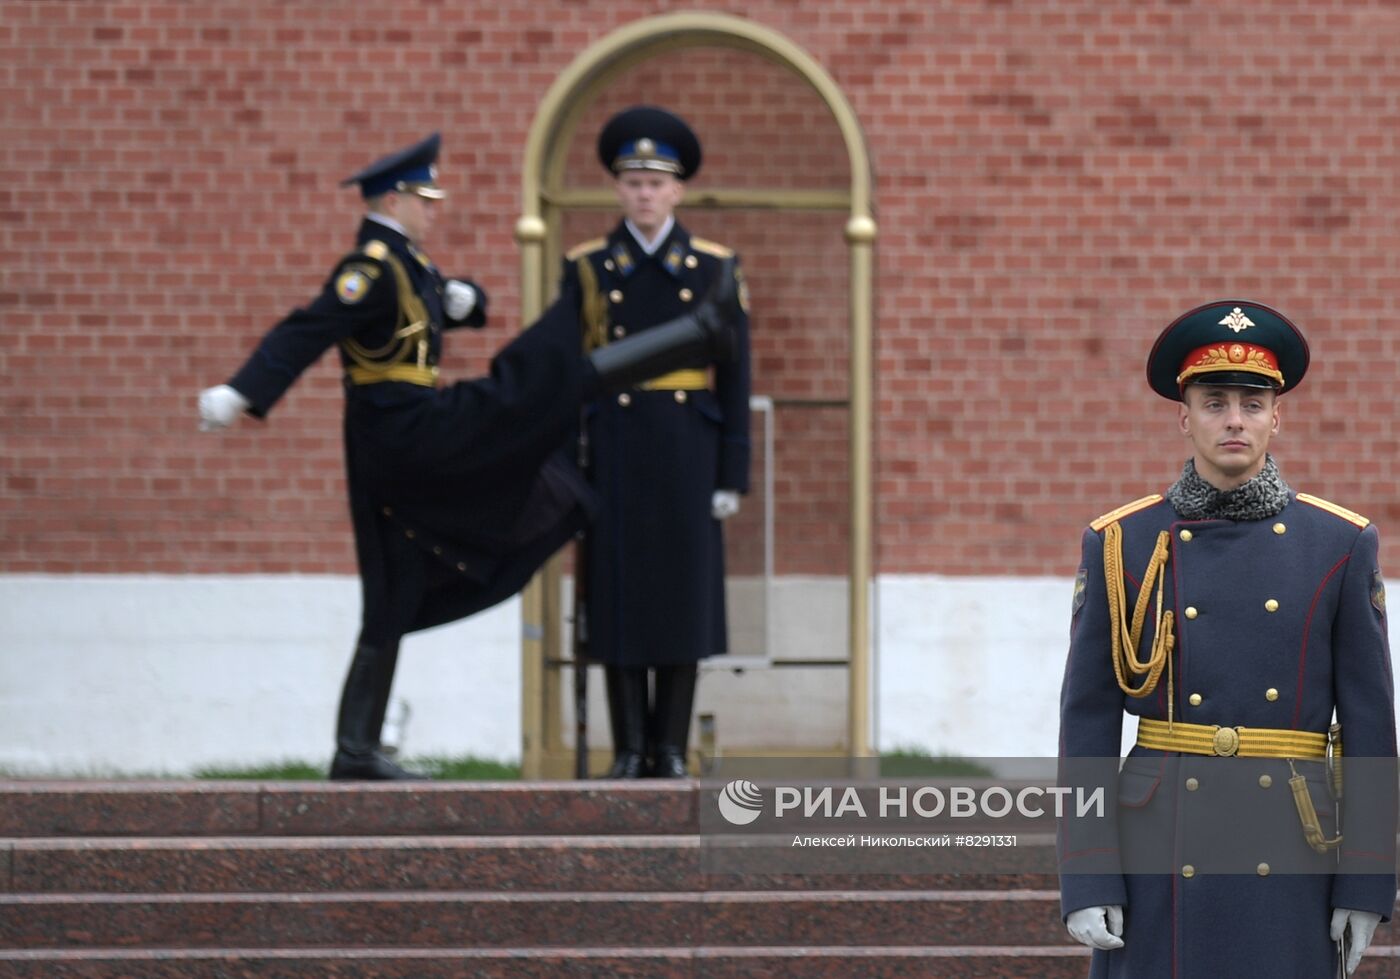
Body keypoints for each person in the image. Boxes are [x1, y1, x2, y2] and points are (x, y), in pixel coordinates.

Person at [197, 132, 742, 780]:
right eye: (425, 199)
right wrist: (245, 390)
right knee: (514, 400)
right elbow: (309, 328)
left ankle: (357, 748)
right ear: (396, 200)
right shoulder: (372, 267)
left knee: (392, 596)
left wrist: (464, 299)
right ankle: (361, 747)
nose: (434, 209)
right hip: (400, 436)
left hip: (421, 431)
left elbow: (435, 310)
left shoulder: (409, 264)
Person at [1057, 300, 1397, 976]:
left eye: (1252, 402)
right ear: (1185, 417)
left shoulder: (1338, 543)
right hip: (1155, 846)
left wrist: (1365, 882)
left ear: (1278, 415)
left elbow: (1368, 726)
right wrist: (1088, 875)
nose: (1234, 419)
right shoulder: (1123, 541)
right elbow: (1087, 720)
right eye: (1215, 402)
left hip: (1293, 840)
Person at [560, 106, 752, 779]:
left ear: (678, 191)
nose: (645, 194)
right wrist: (566, 464)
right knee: (616, 599)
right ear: (617, 188)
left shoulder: (714, 267)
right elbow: (567, 371)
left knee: (680, 598)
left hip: (685, 451)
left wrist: (732, 471)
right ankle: (629, 747)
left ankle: (669, 747)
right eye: (633, 181)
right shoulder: (587, 268)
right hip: (611, 447)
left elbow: (734, 374)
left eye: (657, 182)